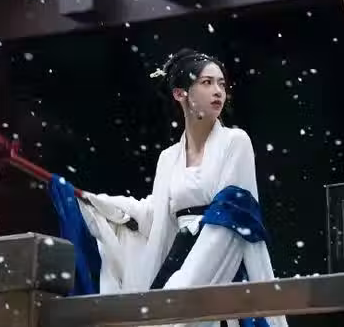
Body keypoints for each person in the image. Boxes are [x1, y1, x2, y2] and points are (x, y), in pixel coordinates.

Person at [76, 48, 289, 327]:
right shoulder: (168, 158)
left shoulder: (235, 142)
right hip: (180, 261)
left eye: (221, 84)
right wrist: (99, 203)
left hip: (222, 263)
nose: (218, 91)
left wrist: (186, 284)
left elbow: (231, 218)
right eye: (207, 82)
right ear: (180, 94)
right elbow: (157, 217)